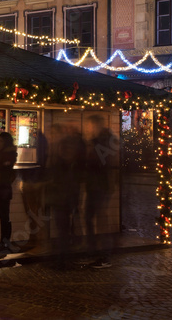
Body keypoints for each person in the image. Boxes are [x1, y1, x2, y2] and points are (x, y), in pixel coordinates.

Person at [47, 123, 85, 267]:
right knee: (63, 227)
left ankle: (64, 258)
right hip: (64, 196)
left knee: (63, 227)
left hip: (63, 196)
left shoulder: (62, 155)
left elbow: (63, 177)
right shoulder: (63, 153)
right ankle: (64, 257)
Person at [84, 115, 118, 268]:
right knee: (90, 217)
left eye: (91, 126)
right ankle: (96, 251)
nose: (89, 129)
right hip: (95, 185)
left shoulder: (104, 141)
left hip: (100, 185)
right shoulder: (99, 141)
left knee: (100, 220)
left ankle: (104, 255)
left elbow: (102, 162)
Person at [0, 132, 17, 251]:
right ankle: (5, 242)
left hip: (3, 189)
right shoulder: (9, 154)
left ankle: (5, 242)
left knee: (4, 217)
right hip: (3, 188)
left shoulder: (7, 154)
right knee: (4, 216)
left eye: (1, 141)